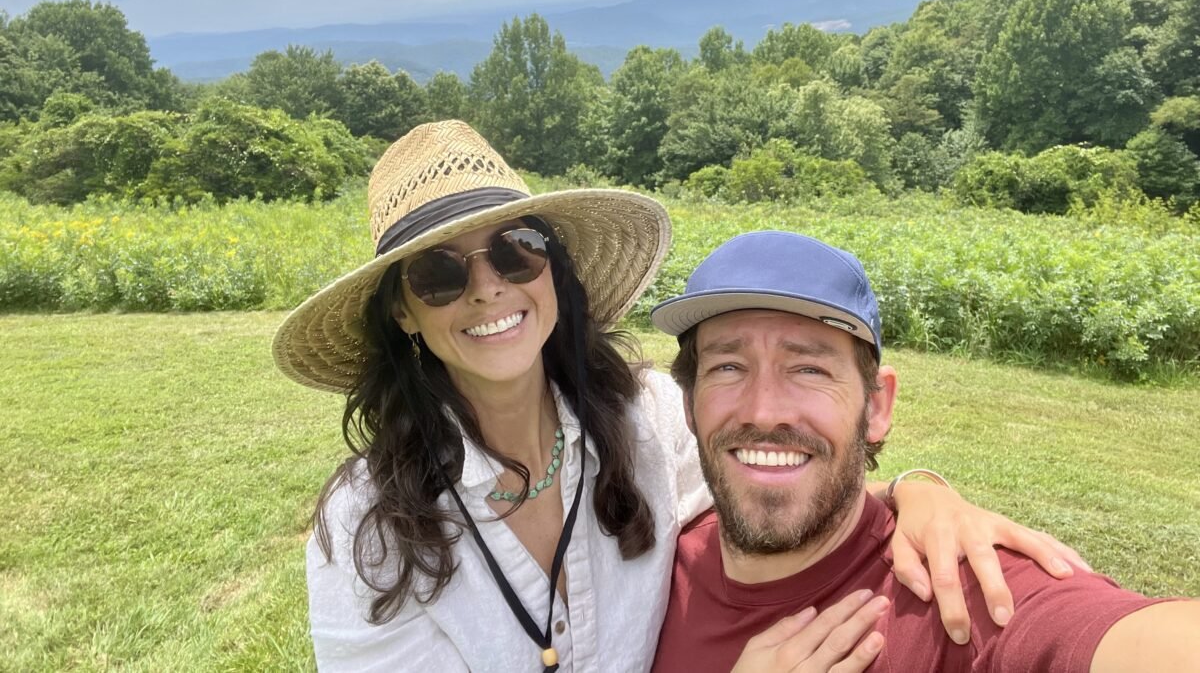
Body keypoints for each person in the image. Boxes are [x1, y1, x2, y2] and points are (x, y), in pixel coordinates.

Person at [273, 121, 1088, 673]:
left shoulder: (646, 418)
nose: (487, 290)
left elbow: (771, 476)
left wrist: (917, 494)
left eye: (517, 250)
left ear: (554, 267)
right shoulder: (367, 528)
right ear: (405, 314)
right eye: (439, 273)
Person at [650, 230, 1200, 673]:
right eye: (727, 366)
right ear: (691, 400)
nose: (764, 411)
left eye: (809, 368)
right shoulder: (649, 565)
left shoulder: (963, 595)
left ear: (877, 406)